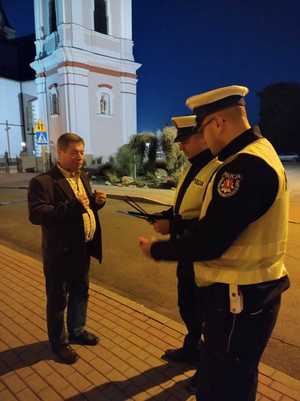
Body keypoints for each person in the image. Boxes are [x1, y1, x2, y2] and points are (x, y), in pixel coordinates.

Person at [139, 85, 290, 401]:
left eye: (203, 129)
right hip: (248, 293)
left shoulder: (244, 166)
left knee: (225, 385)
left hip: (239, 296)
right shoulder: (259, 154)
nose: (204, 140)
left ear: (218, 122)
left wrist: (157, 249)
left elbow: (210, 241)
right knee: (233, 376)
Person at [28, 133, 106, 364]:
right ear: (60, 153)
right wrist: (72, 206)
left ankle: (77, 330)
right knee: (58, 300)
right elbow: (37, 214)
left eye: (82, 152)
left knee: (81, 293)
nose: (80, 157)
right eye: (74, 152)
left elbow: (84, 209)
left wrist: (96, 203)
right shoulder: (43, 182)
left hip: (83, 250)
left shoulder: (82, 177)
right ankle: (59, 343)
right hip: (60, 254)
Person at [152, 115, 220, 367]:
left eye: (186, 140)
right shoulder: (192, 166)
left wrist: (173, 225)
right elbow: (187, 207)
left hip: (203, 255)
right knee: (188, 305)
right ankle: (192, 350)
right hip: (186, 252)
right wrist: (167, 216)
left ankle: (205, 368)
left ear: (202, 136)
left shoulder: (216, 168)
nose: (180, 146)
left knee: (206, 314)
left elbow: (213, 223)